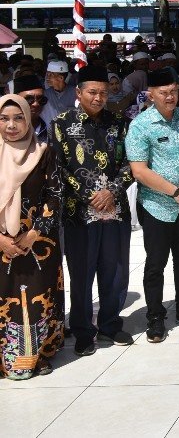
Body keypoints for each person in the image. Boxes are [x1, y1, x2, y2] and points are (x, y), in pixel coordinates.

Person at [51, 64, 134, 356]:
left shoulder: (121, 123)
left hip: (115, 209)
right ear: (79, 93)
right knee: (82, 273)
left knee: (115, 270)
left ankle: (110, 324)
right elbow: (59, 167)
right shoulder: (62, 124)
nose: (98, 98)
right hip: (79, 212)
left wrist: (112, 191)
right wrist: (89, 195)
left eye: (103, 92)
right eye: (92, 92)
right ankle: (83, 330)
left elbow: (132, 163)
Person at [125, 67, 179, 343]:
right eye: (164, 93)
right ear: (150, 94)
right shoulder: (141, 125)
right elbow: (139, 170)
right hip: (157, 206)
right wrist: (174, 192)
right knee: (156, 264)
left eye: (174, 91)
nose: (171, 97)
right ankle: (155, 316)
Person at [0, 94, 63, 379]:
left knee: (37, 297)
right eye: (4, 119)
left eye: (18, 118)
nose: (11, 125)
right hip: (1, 242)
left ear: (28, 119)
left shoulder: (44, 152)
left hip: (38, 243)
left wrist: (34, 232)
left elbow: (55, 195)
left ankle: (37, 355)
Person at [12, 74, 49, 143]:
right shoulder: (5, 130)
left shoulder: (52, 129)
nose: (35, 104)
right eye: (29, 99)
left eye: (40, 99)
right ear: (15, 100)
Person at [40, 60, 76, 125]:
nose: (47, 78)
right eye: (47, 74)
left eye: (51, 75)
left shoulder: (76, 93)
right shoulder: (44, 94)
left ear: (61, 78)